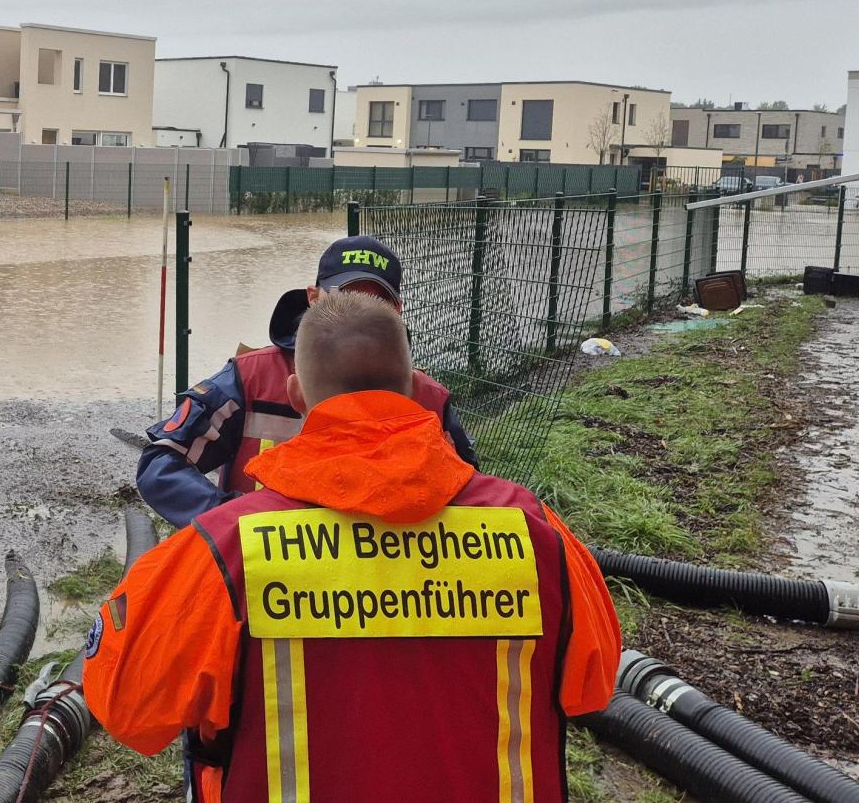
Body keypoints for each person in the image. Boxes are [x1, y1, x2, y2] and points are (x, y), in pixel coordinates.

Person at [86, 291, 621, 803]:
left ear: (297, 396)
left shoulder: (223, 552)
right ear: (414, 389)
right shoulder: (537, 533)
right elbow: (592, 686)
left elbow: (127, 706)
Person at [138, 235, 476, 527]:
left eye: (376, 303)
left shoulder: (429, 399)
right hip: (269, 582)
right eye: (346, 296)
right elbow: (161, 463)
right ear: (313, 297)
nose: (358, 311)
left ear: (398, 311)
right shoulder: (252, 378)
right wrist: (231, 522)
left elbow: (467, 488)